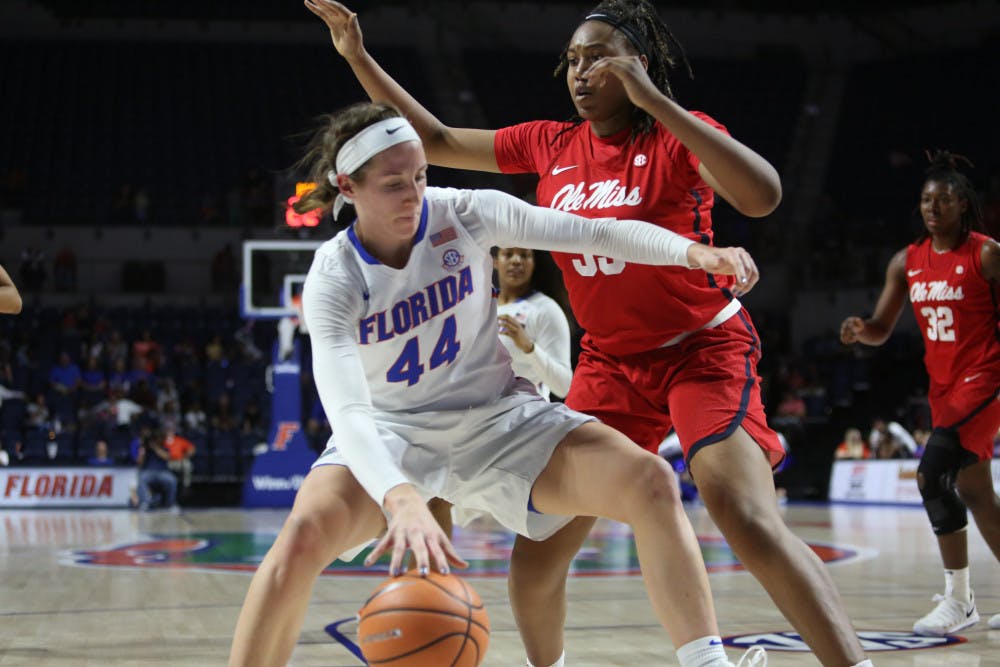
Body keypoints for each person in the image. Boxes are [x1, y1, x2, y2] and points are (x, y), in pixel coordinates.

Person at [308, 2, 871, 666]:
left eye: (598, 58)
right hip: (608, 363)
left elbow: (762, 195)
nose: (580, 72)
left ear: (637, 65)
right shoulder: (550, 143)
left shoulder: (675, 137)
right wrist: (357, 55)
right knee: (537, 559)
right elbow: (433, 139)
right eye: (573, 59)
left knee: (741, 513)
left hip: (700, 347)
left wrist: (654, 100)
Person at [228, 102, 766, 667]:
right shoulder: (335, 275)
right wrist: (399, 496)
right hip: (394, 431)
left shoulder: (463, 213)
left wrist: (691, 252)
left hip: (498, 419)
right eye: (393, 185)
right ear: (347, 187)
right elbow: (348, 411)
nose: (414, 195)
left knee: (650, 480)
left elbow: (593, 231)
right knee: (299, 541)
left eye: (420, 176)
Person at [841, 150, 1000, 636]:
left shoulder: (986, 254)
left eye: (944, 199)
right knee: (976, 493)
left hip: (985, 379)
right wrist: (860, 330)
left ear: (962, 204)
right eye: (927, 199)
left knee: (931, 475)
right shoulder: (906, 261)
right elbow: (881, 327)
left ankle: (959, 599)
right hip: (943, 387)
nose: (933, 207)